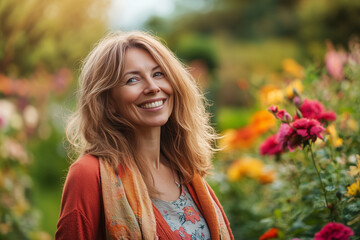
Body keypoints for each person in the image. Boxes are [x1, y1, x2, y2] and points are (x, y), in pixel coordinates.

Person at [55, 31, 234, 240]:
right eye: (132, 80)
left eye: (158, 74)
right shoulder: (88, 175)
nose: (153, 87)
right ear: (108, 102)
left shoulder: (185, 170)